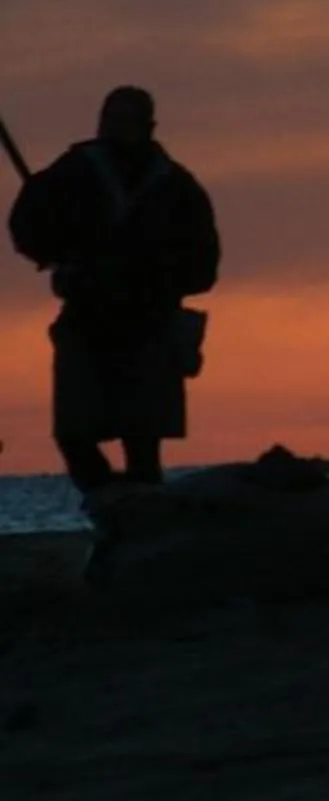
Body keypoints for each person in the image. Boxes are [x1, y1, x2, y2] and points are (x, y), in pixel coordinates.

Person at [8, 87, 221, 496]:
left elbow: (203, 265)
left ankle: (138, 527)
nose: (115, 128)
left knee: (142, 442)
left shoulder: (175, 186)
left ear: (148, 127)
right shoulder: (74, 171)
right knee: (74, 433)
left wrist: (155, 278)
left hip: (150, 324)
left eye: (125, 120)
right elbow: (26, 225)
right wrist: (60, 257)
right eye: (110, 119)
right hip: (88, 320)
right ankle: (111, 509)